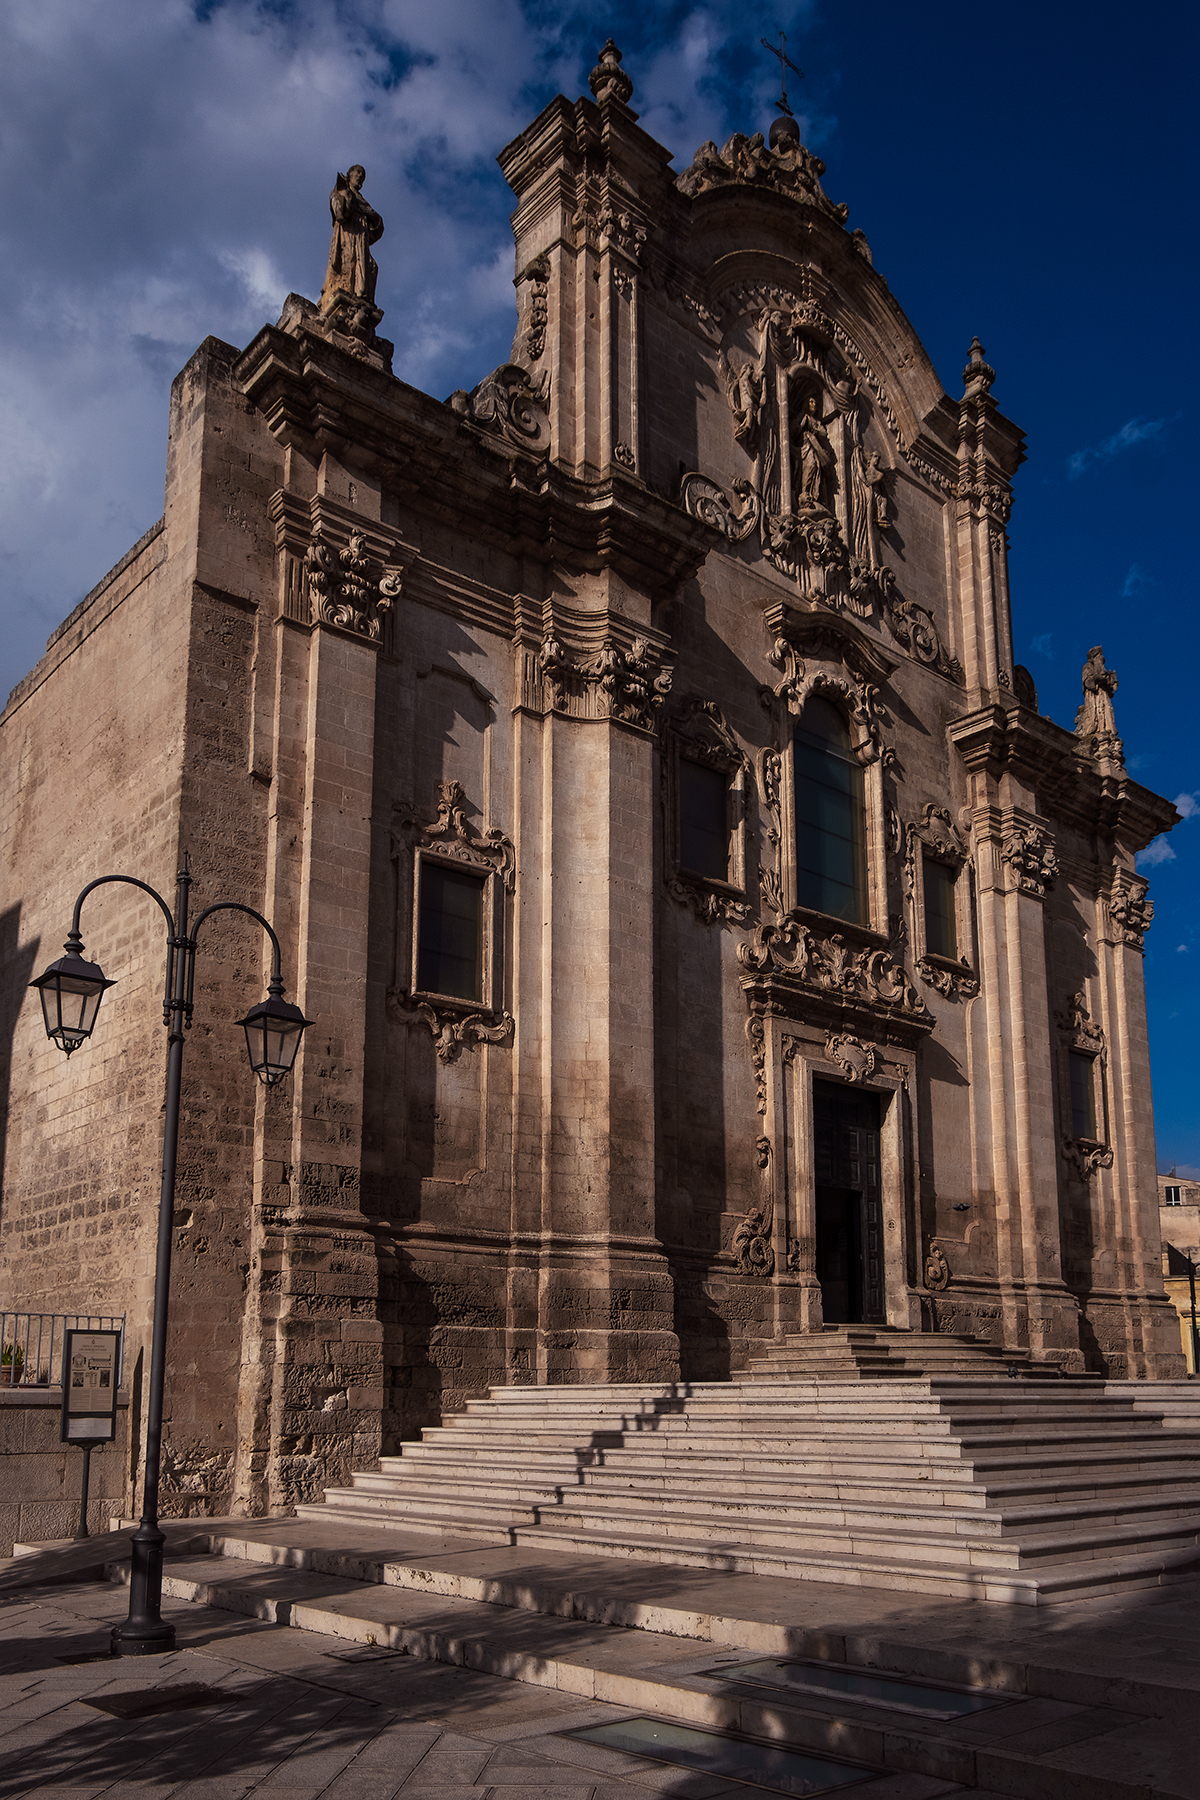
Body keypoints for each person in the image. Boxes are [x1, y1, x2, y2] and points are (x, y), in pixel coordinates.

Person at [320, 165, 384, 312]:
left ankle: (363, 297)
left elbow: (377, 228)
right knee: (349, 261)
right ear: (349, 175)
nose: (360, 177)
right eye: (358, 173)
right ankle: (348, 294)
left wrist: (372, 216)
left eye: (363, 175)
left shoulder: (362, 200)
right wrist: (346, 198)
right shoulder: (341, 190)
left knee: (371, 266)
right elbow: (340, 213)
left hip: (361, 237)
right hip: (348, 234)